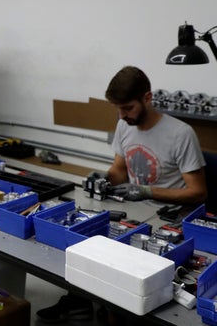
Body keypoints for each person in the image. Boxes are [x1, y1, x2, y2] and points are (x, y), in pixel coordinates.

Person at [36, 65, 207, 324]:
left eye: (127, 108)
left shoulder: (181, 134)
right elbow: (119, 169)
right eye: (118, 109)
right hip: (134, 211)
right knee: (82, 242)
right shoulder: (124, 125)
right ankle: (79, 301)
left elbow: (198, 192)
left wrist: (147, 191)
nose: (122, 115)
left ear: (147, 98)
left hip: (167, 218)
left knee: (129, 273)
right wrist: (104, 177)